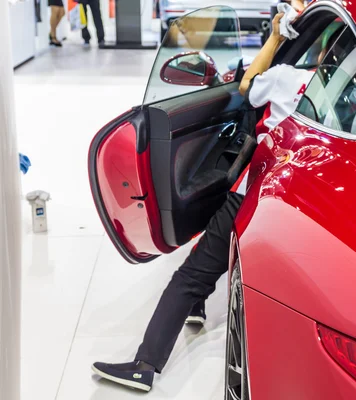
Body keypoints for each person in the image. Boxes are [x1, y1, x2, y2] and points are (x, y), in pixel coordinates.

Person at [91, 1, 329, 392]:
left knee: (190, 275)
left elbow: (247, 86)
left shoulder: (286, 76)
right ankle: (198, 308)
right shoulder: (354, 96)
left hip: (253, 191)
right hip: (296, 204)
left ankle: (145, 365)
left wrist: (273, 38)